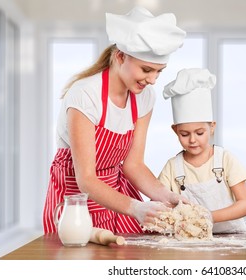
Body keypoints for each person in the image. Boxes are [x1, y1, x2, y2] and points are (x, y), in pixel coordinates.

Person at [43, 7, 188, 234]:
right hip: (75, 201)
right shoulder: (85, 96)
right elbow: (87, 180)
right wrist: (136, 208)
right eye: (147, 69)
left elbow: (133, 164)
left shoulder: (144, 97)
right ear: (121, 56)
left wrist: (167, 195)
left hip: (117, 197)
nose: (152, 80)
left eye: (159, 72)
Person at [159, 68, 246, 233]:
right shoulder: (172, 167)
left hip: (232, 239)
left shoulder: (225, 160)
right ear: (175, 131)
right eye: (184, 134)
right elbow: (159, 203)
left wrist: (209, 216)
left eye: (200, 133)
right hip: (190, 242)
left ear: (212, 128)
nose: (193, 140)